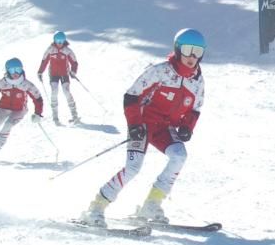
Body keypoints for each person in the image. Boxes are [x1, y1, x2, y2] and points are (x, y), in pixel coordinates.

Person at [81, 28, 206, 227]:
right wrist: (134, 124)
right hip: (143, 124)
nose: (193, 56)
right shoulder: (161, 71)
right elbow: (132, 96)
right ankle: (96, 206)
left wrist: (187, 127)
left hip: (164, 128)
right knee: (133, 167)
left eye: (198, 52)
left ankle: (152, 203)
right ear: (178, 49)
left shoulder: (197, 81)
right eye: (189, 50)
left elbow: (195, 109)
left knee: (179, 155)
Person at [37, 30, 80, 125]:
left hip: (64, 73)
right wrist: (40, 72)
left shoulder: (67, 50)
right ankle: (55, 117)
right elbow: (44, 61)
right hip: (53, 74)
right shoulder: (50, 49)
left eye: (61, 40)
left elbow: (74, 62)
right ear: (54, 40)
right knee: (54, 92)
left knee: (66, 91)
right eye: (58, 40)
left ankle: (74, 115)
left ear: (64, 40)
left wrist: (73, 72)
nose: (60, 43)